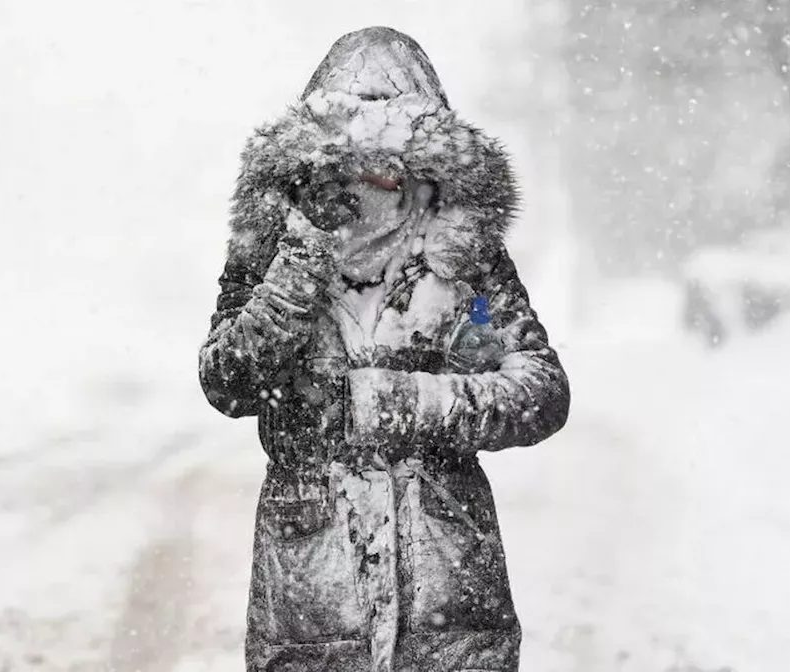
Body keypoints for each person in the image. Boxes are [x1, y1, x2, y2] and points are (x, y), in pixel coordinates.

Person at [198, 26, 570, 672]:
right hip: (313, 613)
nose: (372, 173)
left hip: (450, 611)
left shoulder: (462, 258)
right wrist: (298, 263)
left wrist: (396, 402)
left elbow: (539, 391)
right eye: (350, 150)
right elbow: (227, 381)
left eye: (392, 148)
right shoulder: (274, 249)